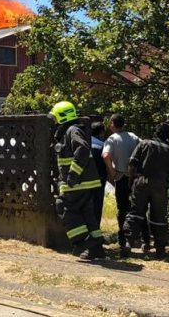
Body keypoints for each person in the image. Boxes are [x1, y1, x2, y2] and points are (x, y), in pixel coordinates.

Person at [49, 101, 106, 261]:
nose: (54, 121)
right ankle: (97, 250)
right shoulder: (71, 130)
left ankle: (84, 243)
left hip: (77, 182)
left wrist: (73, 174)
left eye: (55, 117)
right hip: (82, 182)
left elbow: (82, 149)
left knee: (64, 207)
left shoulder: (72, 130)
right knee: (87, 214)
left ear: (61, 116)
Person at [125, 122, 169, 259]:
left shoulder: (144, 143)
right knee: (159, 217)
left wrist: (130, 181)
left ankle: (128, 243)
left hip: (141, 182)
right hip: (160, 186)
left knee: (135, 213)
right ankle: (160, 249)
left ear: (156, 132)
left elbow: (132, 164)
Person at [101, 114, 148, 256]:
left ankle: (123, 241)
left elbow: (105, 155)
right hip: (135, 178)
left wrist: (112, 171)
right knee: (139, 208)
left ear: (113, 124)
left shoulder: (112, 139)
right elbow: (144, 149)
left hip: (121, 177)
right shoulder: (133, 136)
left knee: (122, 210)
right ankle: (145, 240)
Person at [89, 121, 108, 232]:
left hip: (84, 182)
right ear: (101, 133)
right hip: (99, 181)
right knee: (97, 207)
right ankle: (95, 231)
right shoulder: (103, 146)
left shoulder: (85, 144)